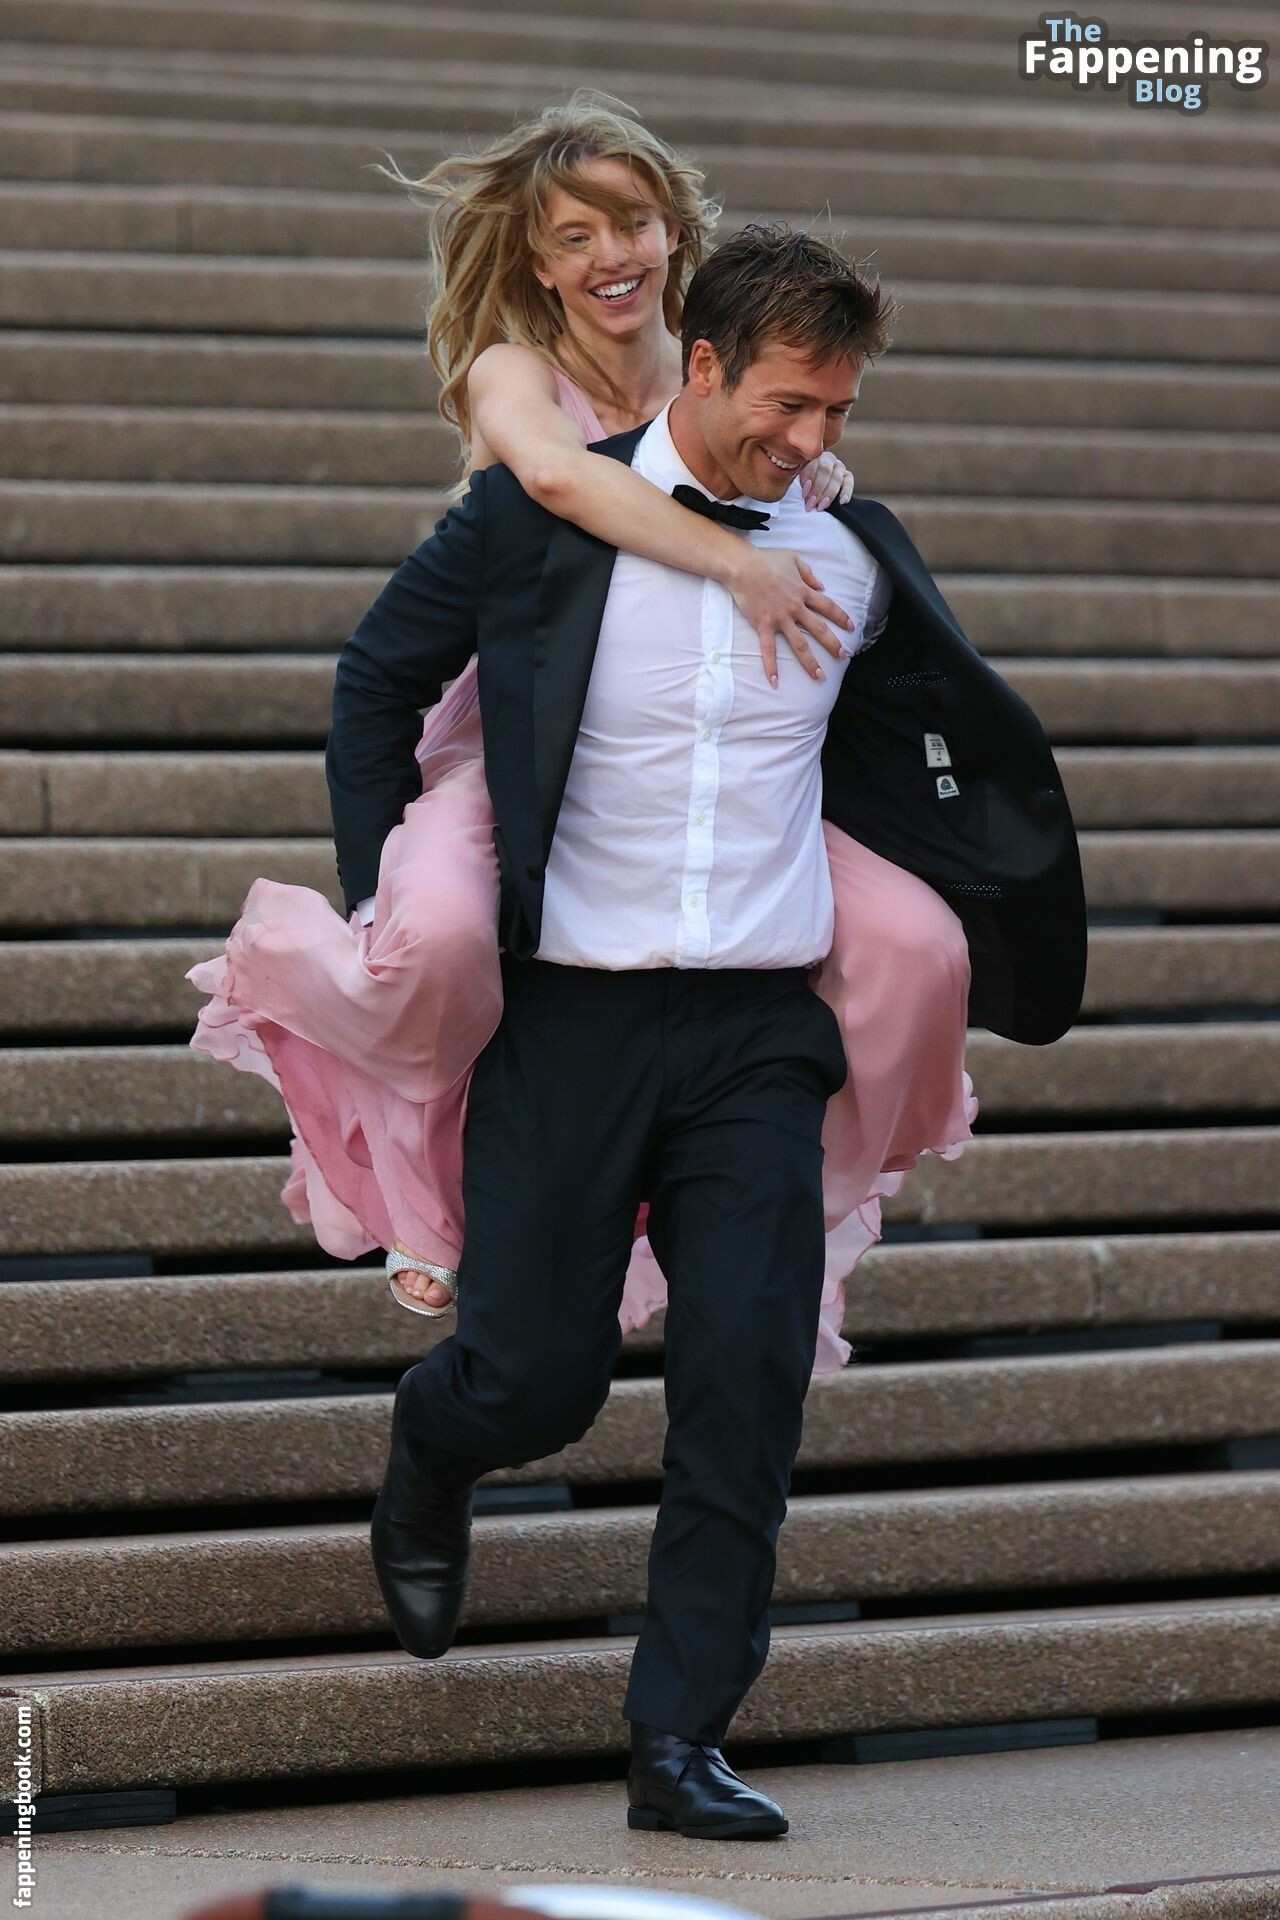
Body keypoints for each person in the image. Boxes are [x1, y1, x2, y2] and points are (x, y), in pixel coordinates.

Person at [322, 222, 1088, 1837]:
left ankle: (678, 1739)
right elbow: (375, 677)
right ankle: (436, 1439)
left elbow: (937, 741)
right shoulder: (543, 514)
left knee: (746, 1373)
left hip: (757, 1032)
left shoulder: (852, 558)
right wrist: (392, 893)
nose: (813, 438)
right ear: (708, 362)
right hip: (573, 1020)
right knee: (537, 1382)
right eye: (790, 403)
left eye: (839, 410)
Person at [185, 92, 978, 1371]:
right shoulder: (512, 371)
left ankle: (795, 1192)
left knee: (914, 947)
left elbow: (795, 470)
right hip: (525, 737)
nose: (610, 256)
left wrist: (799, 474)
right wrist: (739, 562)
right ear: (537, 260)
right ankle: (424, 1198)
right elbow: (557, 478)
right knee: (439, 934)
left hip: (712, 758)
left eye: (633, 224)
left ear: (674, 232)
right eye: (572, 236)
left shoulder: (717, 363)